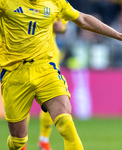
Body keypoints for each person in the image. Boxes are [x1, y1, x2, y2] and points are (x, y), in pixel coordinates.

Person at [0, 0, 122, 149]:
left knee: (66, 122)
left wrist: (119, 35)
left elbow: (82, 19)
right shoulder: (4, 1)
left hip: (45, 69)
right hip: (14, 74)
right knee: (18, 141)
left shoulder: (55, 2)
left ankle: (43, 140)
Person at [38, 18, 68, 150]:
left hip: (50, 56)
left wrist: (58, 26)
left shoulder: (57, 4)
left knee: (52, 98)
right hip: (26, 55)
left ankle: (44, 139)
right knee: (23, 100)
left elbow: (62, 28)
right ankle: (21, 143)